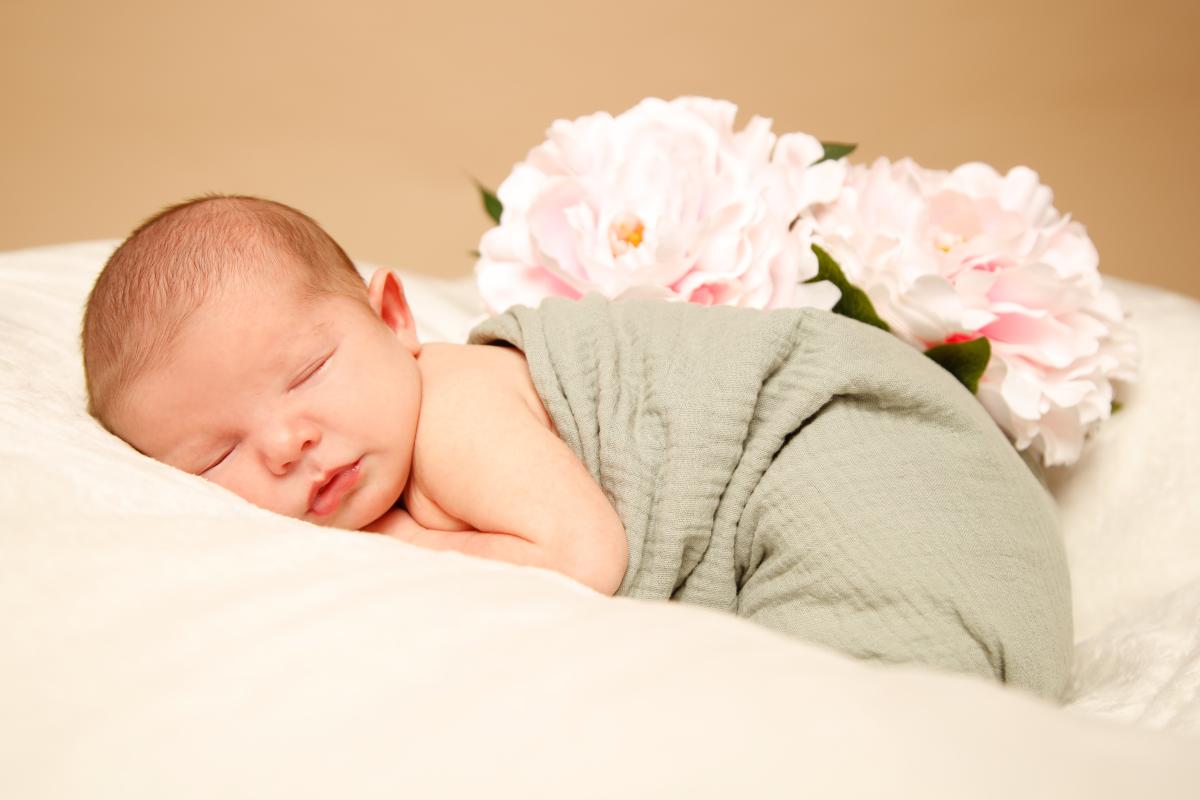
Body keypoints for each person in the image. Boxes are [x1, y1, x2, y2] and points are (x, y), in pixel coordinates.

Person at [82, 194, 1073, 699]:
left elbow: (579, 555)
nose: (289, 441)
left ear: (394, 318)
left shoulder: (452, 402)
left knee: (848, 704)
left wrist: (395, 544)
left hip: (852, 451)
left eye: (305, 374)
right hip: (884, 528)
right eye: (217, 457)